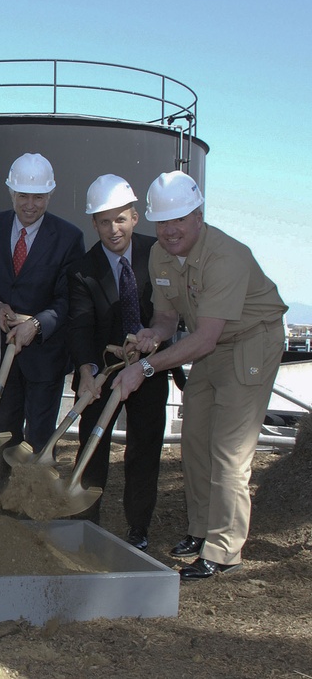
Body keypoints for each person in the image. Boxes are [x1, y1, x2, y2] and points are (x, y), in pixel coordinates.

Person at [114, 171, 286, 580]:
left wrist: (146, 367)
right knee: (194, 441)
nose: (170, 230)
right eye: (163, 221)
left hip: (249, 343)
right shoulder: (159, 254)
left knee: (229, 449)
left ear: (198, 215)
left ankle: (225, 549)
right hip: (209, 346)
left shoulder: (226, 256)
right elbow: (169, 315)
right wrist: (151, 336)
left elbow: (205, 337)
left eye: (179, 219)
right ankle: (200, 530)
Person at [66, 174, 168, 550]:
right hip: (100, 375)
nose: (113, 229)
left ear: (135, 217)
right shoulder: (82, 269)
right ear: (94, 224)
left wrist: (149, 346)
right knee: (92, 450)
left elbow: (169, 314)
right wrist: (87, 371)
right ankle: (85, 525)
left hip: (151, 370)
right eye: (105, 221)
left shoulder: (158, 255)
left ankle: (138, 530)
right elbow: (79, 326)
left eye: (120, 219)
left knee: (144, 452)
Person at [0, 153, 84, 471]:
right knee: (2, 433)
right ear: (11, 192)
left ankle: (31, 507)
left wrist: (37, 324)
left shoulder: (68, 238)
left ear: (49, 195)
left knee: (36, 440)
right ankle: (1, 509)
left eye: (38, 197)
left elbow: (68, 299)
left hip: (44, 356)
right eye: (23, 195)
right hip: (0, 354)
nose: (30, 204)